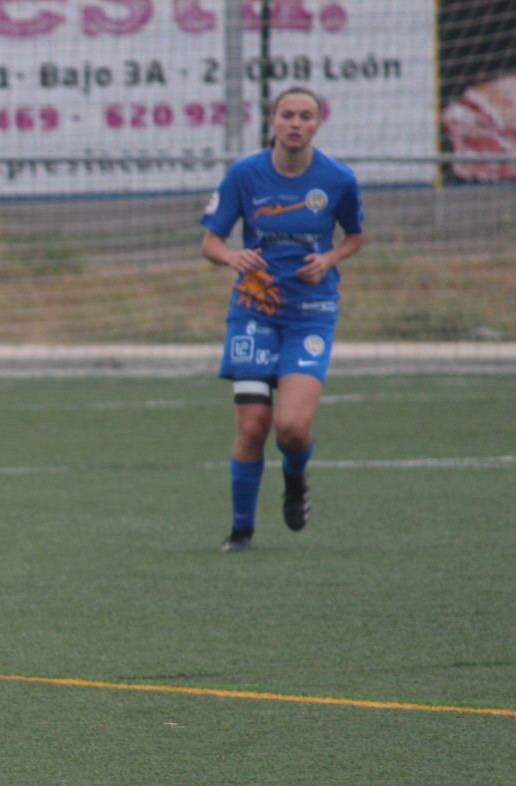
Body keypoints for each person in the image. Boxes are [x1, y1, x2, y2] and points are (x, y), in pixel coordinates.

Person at [200, 86, 365, 553]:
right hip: (254, 313)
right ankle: (241, 532)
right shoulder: (245, 175)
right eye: (287, 114)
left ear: (318, 123)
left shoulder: (337, 179)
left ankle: (295, 480)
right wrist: (232, 257)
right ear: (272, 120)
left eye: (306, 116)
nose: (296, 123)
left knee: (291, 427)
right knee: (253, 424)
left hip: (310, 316)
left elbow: (355, 236)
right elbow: (210, 242)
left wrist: (329, 258)